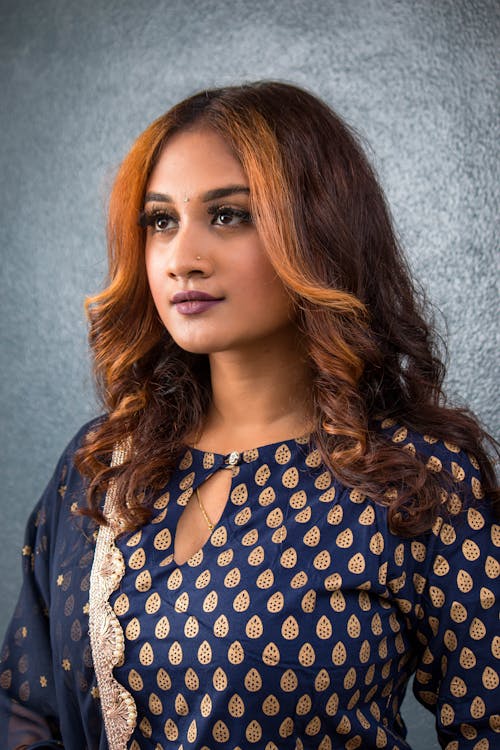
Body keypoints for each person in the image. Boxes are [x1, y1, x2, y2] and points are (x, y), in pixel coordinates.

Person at [0, 81, 498, 750]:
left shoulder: (415, 475)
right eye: (161, 220)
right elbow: (26, 711)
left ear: (318, 230)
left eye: (229, 215)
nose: (183, 259)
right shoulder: (99, 468)